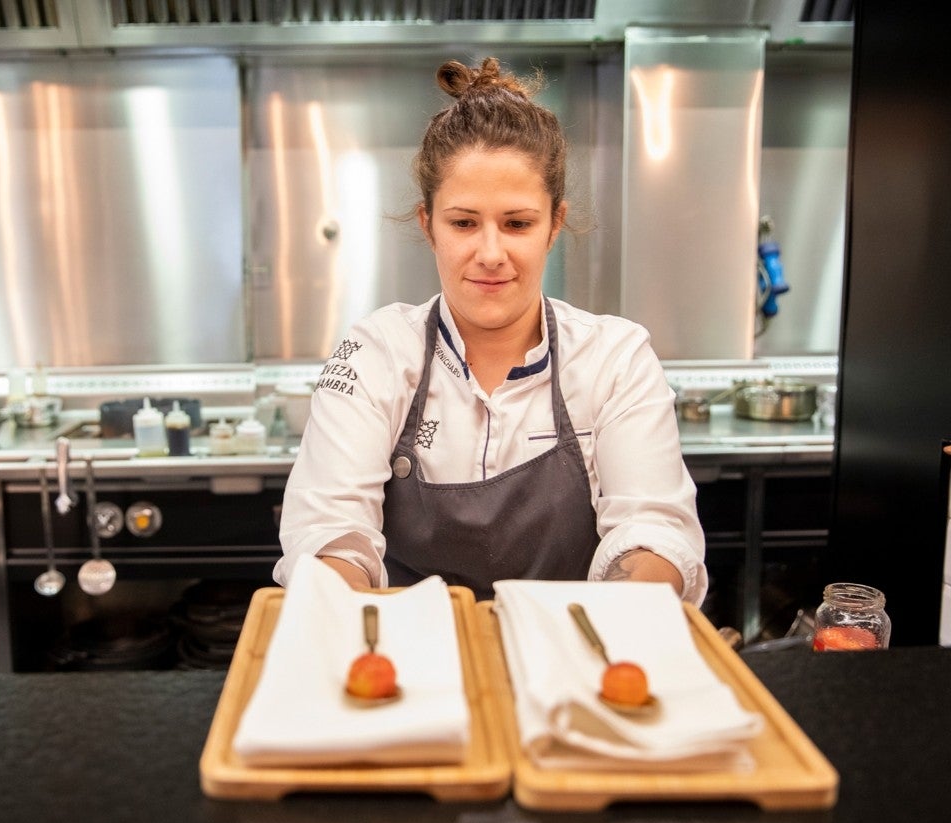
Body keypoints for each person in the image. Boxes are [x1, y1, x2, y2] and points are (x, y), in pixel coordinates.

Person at [273, 57, 707, 605]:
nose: (491, 254)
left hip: (574, 655)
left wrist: (630, 608)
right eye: (463, 223)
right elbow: (329, 533)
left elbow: (655, 532)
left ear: (554, 225)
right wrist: (341, 607)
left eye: (518, 223)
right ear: (428, 224)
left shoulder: (616, 358)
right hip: (407, 663)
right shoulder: (376, 353)